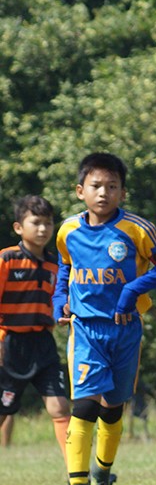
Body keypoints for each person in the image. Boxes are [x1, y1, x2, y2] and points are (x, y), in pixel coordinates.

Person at [53, 153, 156, 485]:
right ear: (80, 191)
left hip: (125, 332)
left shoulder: (137, 229)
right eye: (95, 186)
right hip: (87, 330)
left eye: (111, 187)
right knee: (85, 405)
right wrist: (60, 300)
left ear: (123, 193)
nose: (103, 193)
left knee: (112, 409)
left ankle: (101, 476)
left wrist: (131, 292)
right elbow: (64, 268)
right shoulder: (68, 231)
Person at [0, 195, 71, 465]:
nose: (43, 229)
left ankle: (75, 474)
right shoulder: (7, 259)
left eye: (48, 223)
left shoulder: (56, 265)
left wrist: (63, 314)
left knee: (60, 408)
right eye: (36, 223)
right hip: (10, 344)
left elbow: (60, 301)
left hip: (43, 344)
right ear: (19, 227)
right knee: (3, 410)